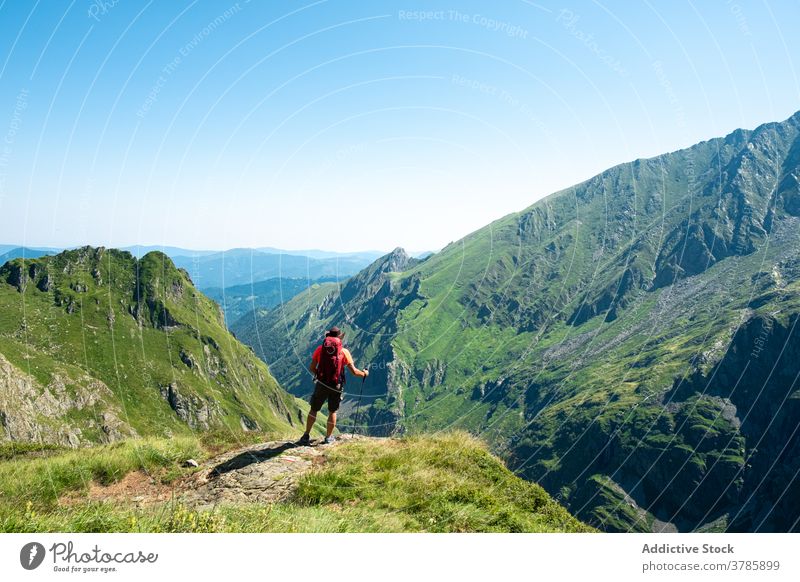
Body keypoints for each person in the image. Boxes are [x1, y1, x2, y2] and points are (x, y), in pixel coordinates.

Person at [298, 326, 368, 445]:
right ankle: (328, 438)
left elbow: (311, 367)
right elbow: (354, 372)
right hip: (336, 385)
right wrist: (364, 374)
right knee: (332, 411)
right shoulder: (344, 352)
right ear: (339, 338)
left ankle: (306, 435)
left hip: (321, 384)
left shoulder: (320, 349)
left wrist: (319, 375)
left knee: (313, 409)